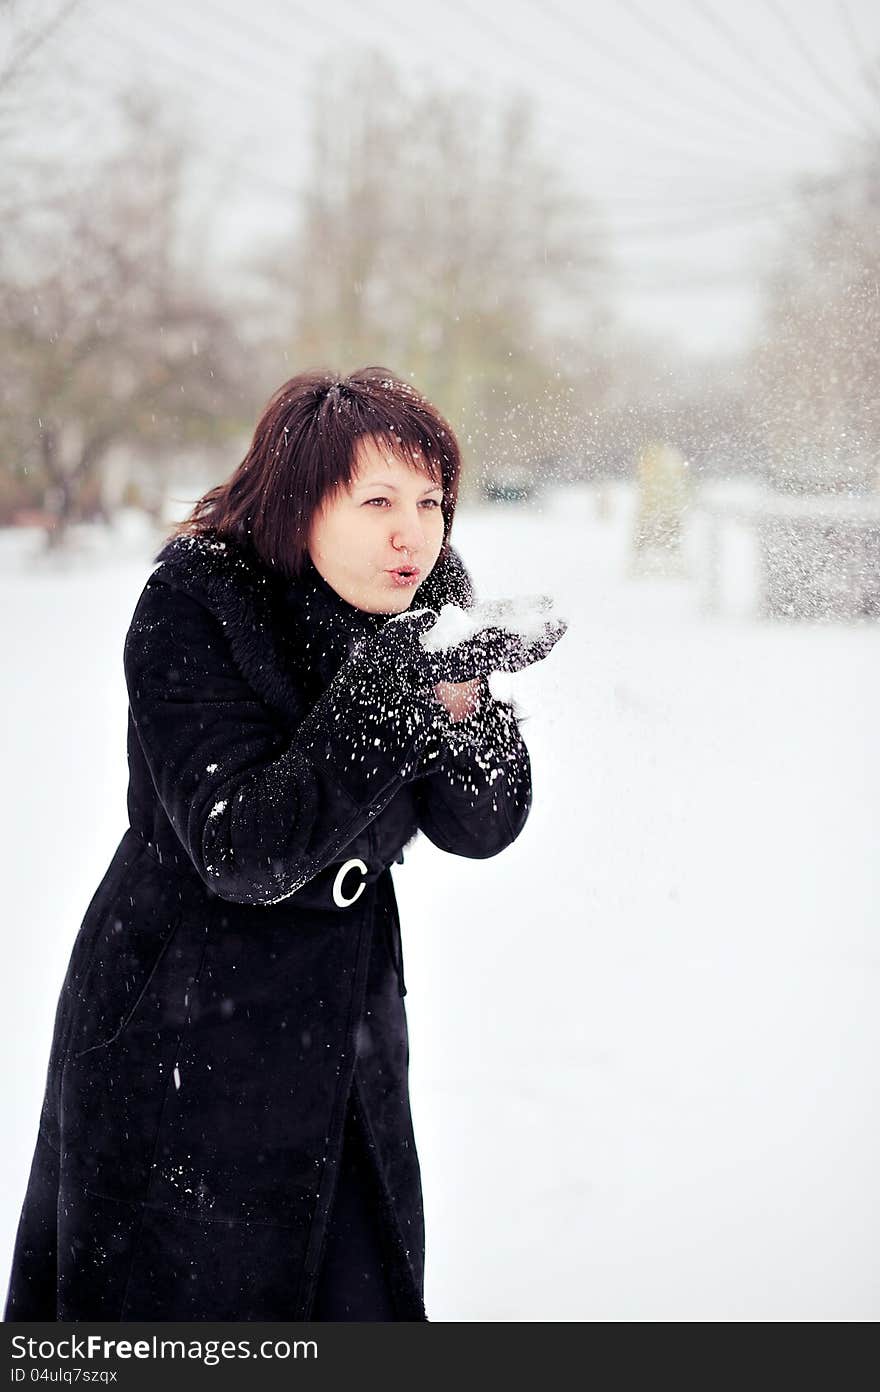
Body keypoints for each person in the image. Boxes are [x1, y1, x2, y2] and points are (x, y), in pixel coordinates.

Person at [4, 367, 566, 1322]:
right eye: (379, 500)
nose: (414, 533)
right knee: (184, 1310)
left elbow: (481, 825)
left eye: (431, 502)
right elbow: (241, 848)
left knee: (351, 1296)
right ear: (303, 500)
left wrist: (469, 714)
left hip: (343, 1031)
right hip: (183, 1020)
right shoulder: (196, 606)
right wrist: (399, 702)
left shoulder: (428, 600)